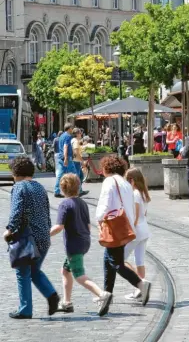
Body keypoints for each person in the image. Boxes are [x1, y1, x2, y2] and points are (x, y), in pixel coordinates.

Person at [4, 157, 60, 319]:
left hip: (27, 239)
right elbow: (47, 213)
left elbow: (16, 212)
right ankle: (51, 295)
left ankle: (25, 309)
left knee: (22, 273)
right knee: (34, 271)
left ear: (16, 173)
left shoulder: (19, 187)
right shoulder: (40, 187)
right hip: (43, 236)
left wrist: (9, 230)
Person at [50, 173, 112, 316]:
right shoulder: (82, 203)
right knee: (66, 271)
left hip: (74, 244)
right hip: (85, 241)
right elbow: (89, 225)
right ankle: (67, 303)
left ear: (62, 188)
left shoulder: (65, 204)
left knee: (78, 274)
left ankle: (102, 294)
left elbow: (59, 227)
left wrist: (45, 235)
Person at [96, 156, 152, 305]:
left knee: (116, 262)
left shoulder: (110, 181)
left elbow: (105, 203)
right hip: (125, 227)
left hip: (113, 226)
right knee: (109, 260)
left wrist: (99, 219)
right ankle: (107, 294)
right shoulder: (126, 184)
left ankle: (140, 284)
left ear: (107, 168)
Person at [123, 168, 151, 301]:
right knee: (140, 261)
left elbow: (134, 215)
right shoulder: (143, 193)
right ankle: (140, 291)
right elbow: (144, 214)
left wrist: (128, 230)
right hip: (144, 229)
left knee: (119, 260)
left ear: (132, 181)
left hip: (136, 231)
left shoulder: (134, 194)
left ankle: (140, 283)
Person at [54, 123, 76, 198]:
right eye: (72, 128)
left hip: (60, 157)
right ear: (69, 128)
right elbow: (65, 147)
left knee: (60, 175)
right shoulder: (68, 136)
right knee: (74, 174)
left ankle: (56, 191)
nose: (72, 129)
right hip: (67, 158)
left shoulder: (61, 136)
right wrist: (66, 158)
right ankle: (78, 190)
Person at [71, 128, 88, 197]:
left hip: (75, 161)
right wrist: (82, 161)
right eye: (80, 133)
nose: (81, 134)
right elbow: (76, 152)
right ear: (77, 134)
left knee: (80, 176)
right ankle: (77, 191)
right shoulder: (75, 141)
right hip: (76, 161)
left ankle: (79, 190)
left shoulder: (73, 140)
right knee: (78, 177)